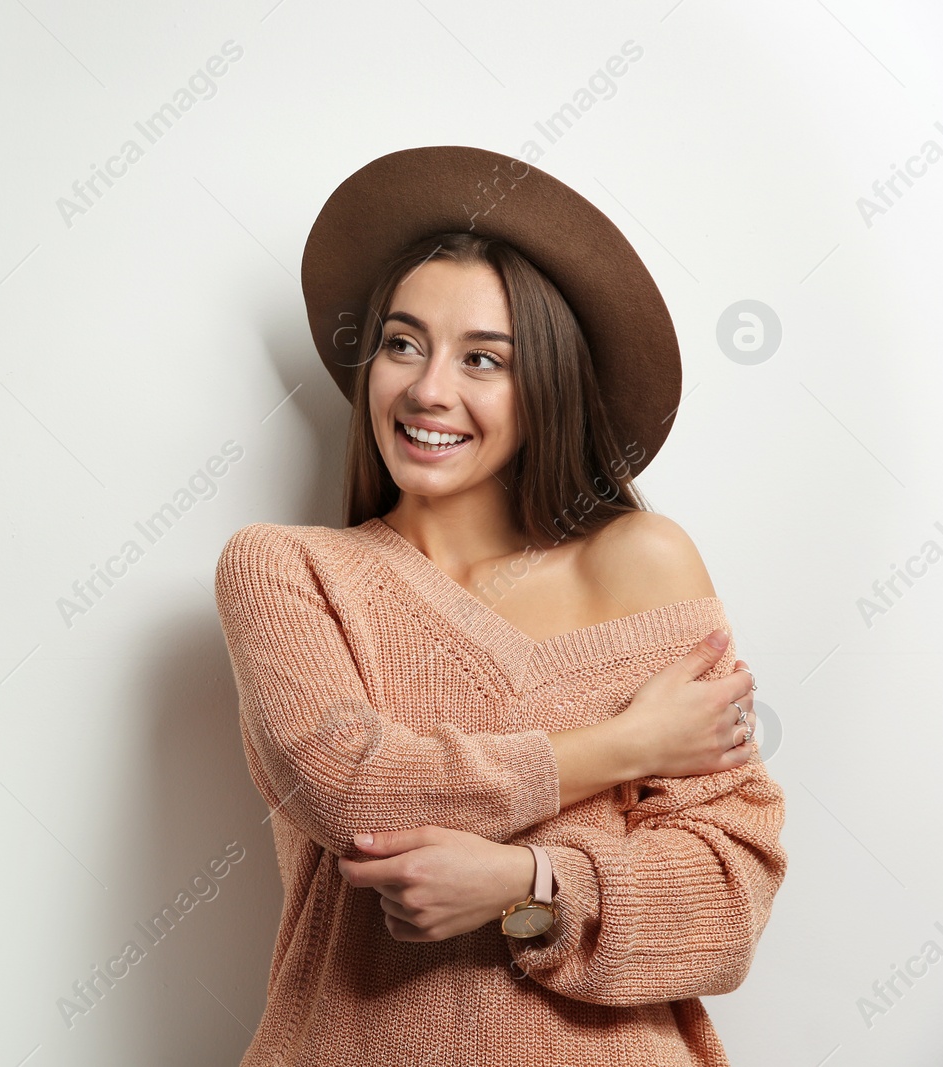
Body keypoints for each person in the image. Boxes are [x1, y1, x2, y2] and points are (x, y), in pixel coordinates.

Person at [213, 146, 787, 1066]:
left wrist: (529, 884)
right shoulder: (289, 570)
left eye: (484, 358)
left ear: (546, 385)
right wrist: (625, 745)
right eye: (404, 343)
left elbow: (728, 898)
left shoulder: (644, 562)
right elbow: (352, 787)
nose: (428, 388)